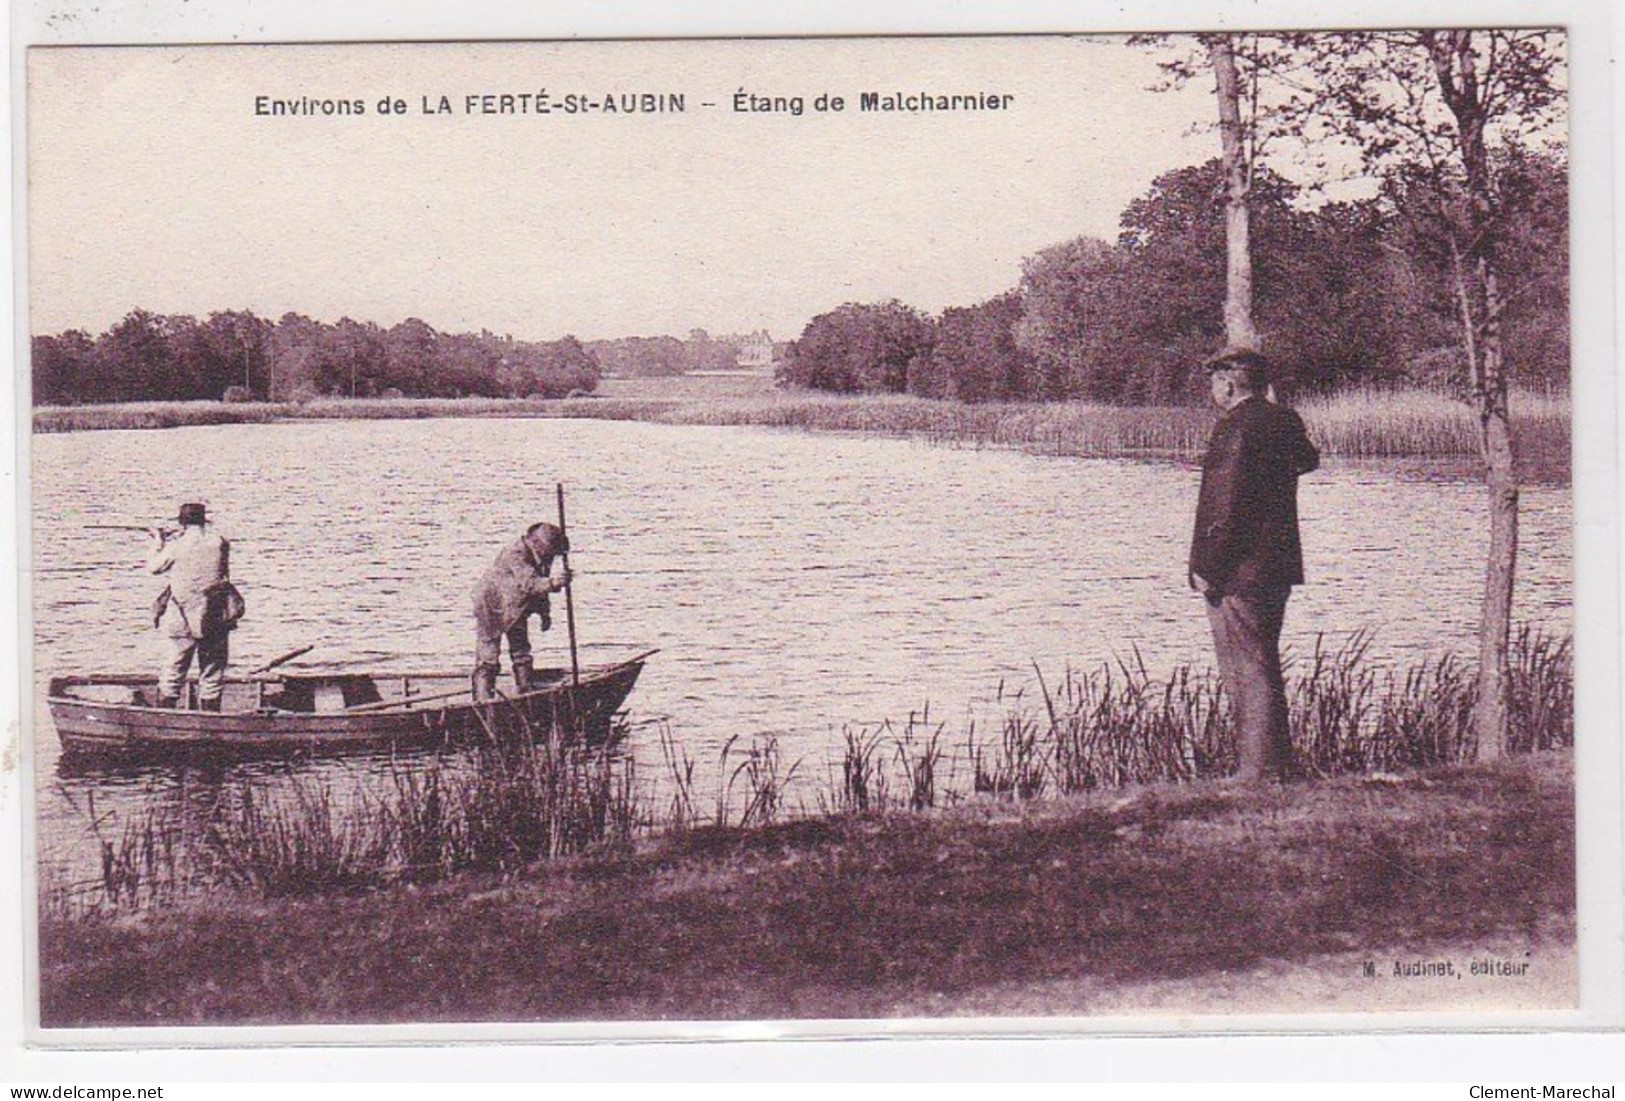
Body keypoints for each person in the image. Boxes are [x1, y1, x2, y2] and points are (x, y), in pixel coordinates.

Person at [1189, 349, 1320, 781]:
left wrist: (1207, 565)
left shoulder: (1234, 427)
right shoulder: (1283, 420)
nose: (1212, 391)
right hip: (1277, 564)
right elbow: (1307, 459)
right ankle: (1277, 766)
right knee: (1263, 661)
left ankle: (1257, 772)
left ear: (1229, 383)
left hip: (1238, 568)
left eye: (1215, 382)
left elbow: (1224, 504)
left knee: (1246, 667)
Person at [147, 501, 240, 710]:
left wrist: (158, 541)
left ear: (182, 522)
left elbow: (153, 567)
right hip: (214, 614)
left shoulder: (176, 546)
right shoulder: (219, 543)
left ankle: (165, 717)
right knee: (212, 671)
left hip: (181, 617)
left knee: (174, 668)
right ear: (203, 520)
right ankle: (211, 718)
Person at [472, 521, 572, 701]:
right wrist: (554, 583)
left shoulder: (542, 557)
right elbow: (530, 583)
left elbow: (539, 584)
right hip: (491, 605)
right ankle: (483, 700)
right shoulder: (516, 553)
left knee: (521, 650)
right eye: (550, 552)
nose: (551, 557)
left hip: (517, 606)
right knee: (489, 656)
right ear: (538, 545)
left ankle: (526, 691)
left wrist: (545, 613)